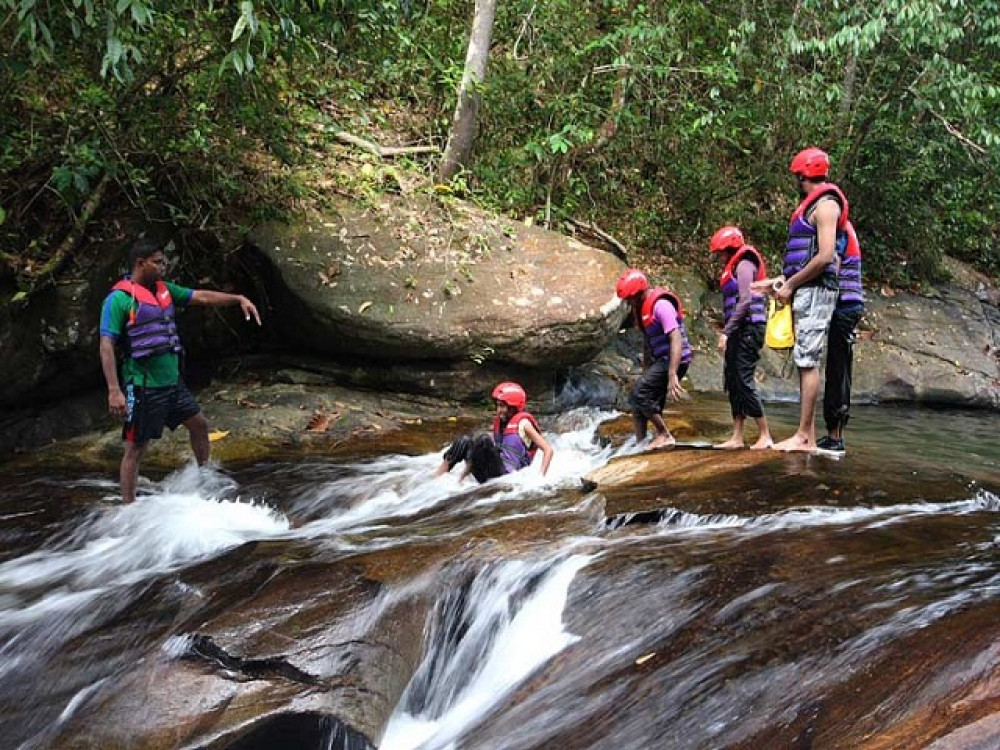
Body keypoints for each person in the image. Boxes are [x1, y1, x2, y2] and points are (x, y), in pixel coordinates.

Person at [99, 238, 262, 503]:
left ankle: (206, 476)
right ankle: (128, 509)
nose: (164, 267)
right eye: (158, 262)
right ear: (141, 263)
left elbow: (201, 296)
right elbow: (106, 345)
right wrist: (114, 390)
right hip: (142, 386)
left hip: (172, 383)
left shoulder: (164, 290)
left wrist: (237, 298)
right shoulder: (118, 300)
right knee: (136, 447)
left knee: (199, 425)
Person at [754, 146, 851, 453]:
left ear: (803, 174)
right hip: (806, 289)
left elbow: (825, 257)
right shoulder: (815, 205)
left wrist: (792, 284)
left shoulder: (826, 206)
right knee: (803, 360)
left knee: (807, 361)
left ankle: (804, 436)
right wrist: (781, 283)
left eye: (797, 177)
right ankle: (805, 433)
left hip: (816, 291)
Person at [709, 226, 774, 450]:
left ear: (731, 248)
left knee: (744, 378)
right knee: (733, 379)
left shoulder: (745, 263)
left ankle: (765, 434)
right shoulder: (734, 264)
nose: (721, 257)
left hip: (749, 328)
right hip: (739, 329)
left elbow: (745, 301)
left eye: (722, 253)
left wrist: (726, 332)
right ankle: (737, 436)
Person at [615, 268, 692, 450]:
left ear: (640, 292)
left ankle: (665, 434)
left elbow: (675, 337)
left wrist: (672, 374)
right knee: (638, 398)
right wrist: (646, 369)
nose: (629, 303)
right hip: (660, 359)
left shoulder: (661, 306)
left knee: (639, 394)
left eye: (631, 299)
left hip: (675, 359)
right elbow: (648, 341)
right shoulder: (640, 307)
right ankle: (640, 442)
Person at [436, 381, 553, 483]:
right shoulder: (501, 423)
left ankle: (459, 480)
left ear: (513, 407)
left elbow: (548, 450)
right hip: (493, 471)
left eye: (502, 406)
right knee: (463, 441)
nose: (498, 410)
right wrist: (464, 476)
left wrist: (540, 477)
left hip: (507, 474)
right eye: (498, 406)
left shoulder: (524, 424)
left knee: (483, 440)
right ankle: (437, 478)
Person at [819, 220, 865, 453]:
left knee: (837, 370)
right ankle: (834, 434)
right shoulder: (843, 229)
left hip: (844, 306)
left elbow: (832, 264)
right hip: (849, 305)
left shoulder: (838, 230)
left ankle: (834, 436)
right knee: (840, 368)